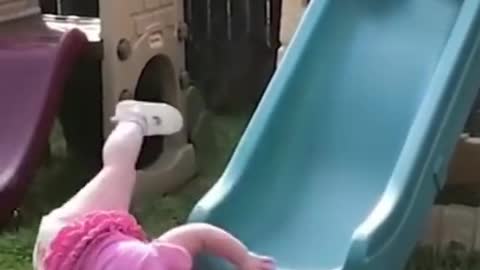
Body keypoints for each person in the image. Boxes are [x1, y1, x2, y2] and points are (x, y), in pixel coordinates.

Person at [32, 100, 276, 270]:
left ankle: (133, 118)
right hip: (53, 261)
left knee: (117, 170)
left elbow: (200, 234)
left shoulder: (161, 261)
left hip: (72, 235)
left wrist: (244, 259)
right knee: (117, 172)